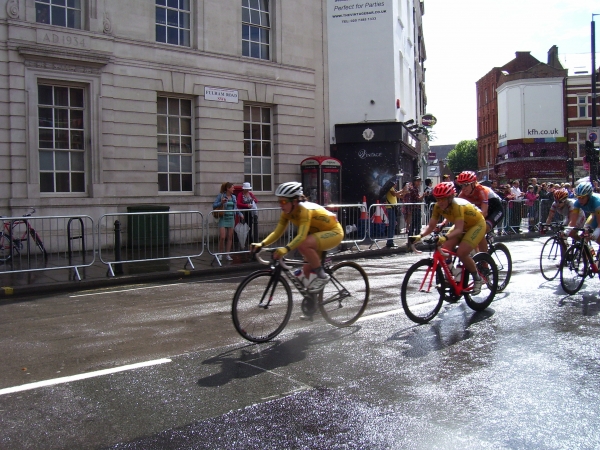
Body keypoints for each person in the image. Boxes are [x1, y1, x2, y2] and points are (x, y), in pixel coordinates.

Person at [251, 181, 344, 296]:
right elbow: (277, 232)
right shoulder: (286, 212)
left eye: (284, 201)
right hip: (316, 236)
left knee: (303, 244)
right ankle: (312, 307)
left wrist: (285, 249)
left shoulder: (304, 210)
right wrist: (262, 244)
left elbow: (301, 236)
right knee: (306, 274)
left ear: (295, 201)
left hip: (333, 232)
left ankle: (322, 276)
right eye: (279, 201)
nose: (281, 205)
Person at [410, 182, 486, 295]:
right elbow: (431, 226)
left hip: (476, 225)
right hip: (462, 226)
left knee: (462, 252)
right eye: (438, 199)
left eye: (443, 199)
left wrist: (444, 237)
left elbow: (459, 229)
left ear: (450, 198)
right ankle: (454, 275)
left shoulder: (457, 206)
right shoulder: (437, 207)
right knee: (445, 248)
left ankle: (477, 279)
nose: (440, 202)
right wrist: (419, 236)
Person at [456, 171, 504, 252]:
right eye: (461, 185)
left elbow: (484, 212)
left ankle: (484, 262)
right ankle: (477, 255)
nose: (463, 188)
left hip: (495, 210)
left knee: (479, 232)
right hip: (481, 211)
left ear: (474, 183)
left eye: (466, 184)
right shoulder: (462, 194)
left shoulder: (482, 190)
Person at [212, 182, 238, 261]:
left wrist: (240, 214)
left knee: (230, 237)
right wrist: (221, 202)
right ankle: (220, 254)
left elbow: (236, 208)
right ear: (228, 188)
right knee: (223, 237)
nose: (234, 189)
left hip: (231, 218)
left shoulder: (233, 197)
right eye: (232, 187)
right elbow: (214, 205)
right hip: (223, 217)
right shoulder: (221, 196)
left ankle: (227, 254)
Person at [383, 176, 405, 248]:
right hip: (390, 208)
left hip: (392, 208)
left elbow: (400, 196)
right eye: (395, 182)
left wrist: (404, 191)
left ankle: (390, 241)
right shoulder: (391, 188)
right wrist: (402, 190)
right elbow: (394, 194)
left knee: (392, 225)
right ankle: (390, 241)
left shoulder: (393, 189)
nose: (396, 183)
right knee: (391, 225)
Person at [236, 182, 258, 248]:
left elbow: (256, 200)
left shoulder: (250, 194)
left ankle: (250, 241)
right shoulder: (240, 194)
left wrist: (253, 200)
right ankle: (243, 241)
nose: (248, 190)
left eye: (248, 189)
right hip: (243, 212)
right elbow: (238, 203)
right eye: (246, 189)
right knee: (244, 227)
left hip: (250, 212)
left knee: (250, 227)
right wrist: (246, 205)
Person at [406, 176, 425, 250]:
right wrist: (423, 195)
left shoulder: (415, 189)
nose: (419, 182)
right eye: (417, 181)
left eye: (419, 181)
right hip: (415, 209)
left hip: (416, 208)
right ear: (414, 181)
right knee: (415, 225)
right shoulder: (414, 189)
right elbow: (418, 199)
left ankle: (413, 240)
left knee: (416, 225)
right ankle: (413, 240)